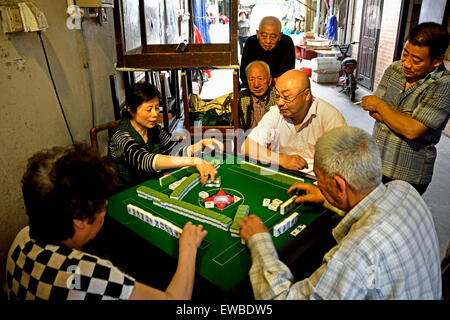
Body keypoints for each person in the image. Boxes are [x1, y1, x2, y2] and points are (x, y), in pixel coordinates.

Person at [239, 126, 442, 300]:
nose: (317, 183)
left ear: (339, 185)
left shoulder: (355, 255)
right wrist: (328, 197)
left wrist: (260, 242)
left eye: (319, 179)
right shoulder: (404, 189)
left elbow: (281, 298)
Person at [5, 144, 208, 300]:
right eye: (101, 204)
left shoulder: (21, 238)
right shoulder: (88, 273)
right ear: (80, 220)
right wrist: (189, 248)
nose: (106, 206)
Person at [361, 22, 450, 195]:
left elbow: (413, 130)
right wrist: (403, 119)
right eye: (405, 54)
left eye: (416, 60)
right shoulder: (395, 69)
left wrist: (381, 105)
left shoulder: (443, 84)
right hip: (376, 163)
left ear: (437, 60)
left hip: (408, 175)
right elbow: (371, 110)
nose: (407, 64)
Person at [108, 82, 223, 190]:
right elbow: (145, 160)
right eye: (148, 109)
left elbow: (173, 151)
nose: (155, 114)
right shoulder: (120, 136)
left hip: (152, 185)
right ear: (131, 110)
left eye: (157, 108)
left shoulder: (154, 129)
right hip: (127, 192)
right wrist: (194, 161)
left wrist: (200, 145)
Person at [240, 69, 346, 175]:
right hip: (282, 172)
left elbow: (342, 164)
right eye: (277, 96)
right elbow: (247, 147)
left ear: (307, 94)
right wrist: (281, 160)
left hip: (317, 180)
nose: (280, 103)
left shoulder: (330, 117)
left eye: (286, 97)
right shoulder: (276, 113)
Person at [240, 16, 295, 88]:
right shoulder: (251, 42)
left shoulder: (286, 43)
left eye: (273, 36)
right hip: (254, 88)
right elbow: (244, 76)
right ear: (257, 33)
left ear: (280, 36)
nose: (268, 41)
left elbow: (288, 76)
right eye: (264, 36)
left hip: (279, 88)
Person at [238, 60, 277, 130]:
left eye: (260, 79)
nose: (256, 85)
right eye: (251, 79)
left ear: (269, 80)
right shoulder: (240, 98)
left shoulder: (278, 96)